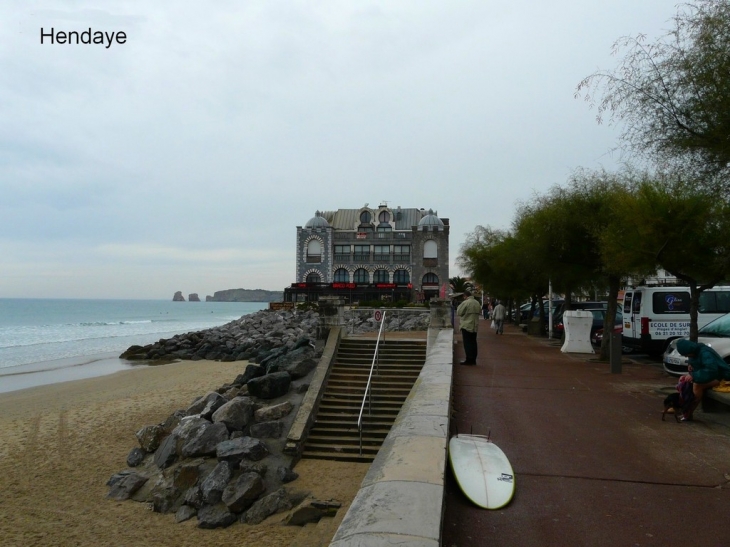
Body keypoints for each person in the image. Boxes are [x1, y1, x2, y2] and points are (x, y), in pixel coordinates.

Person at [676, 339, 730, 421]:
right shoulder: (696, 350)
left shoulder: (705, 353)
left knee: (697, 385)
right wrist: (691, 366)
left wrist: (694, 375)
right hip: (714, 374)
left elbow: (711, 370)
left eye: (686, 354)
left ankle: (688, 412)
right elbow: (698, 362)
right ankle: (681, 406)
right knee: (684, 383)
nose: (686, 356)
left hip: (722, 376)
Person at [457, 290, 481, 365]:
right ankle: (473, 359)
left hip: (466, 325)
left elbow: (459, 312)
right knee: (473, 342)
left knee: (467, 343)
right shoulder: (477, 303)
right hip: (475, 325)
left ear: (465, 296)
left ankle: (469, 359)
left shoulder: (466, 302)